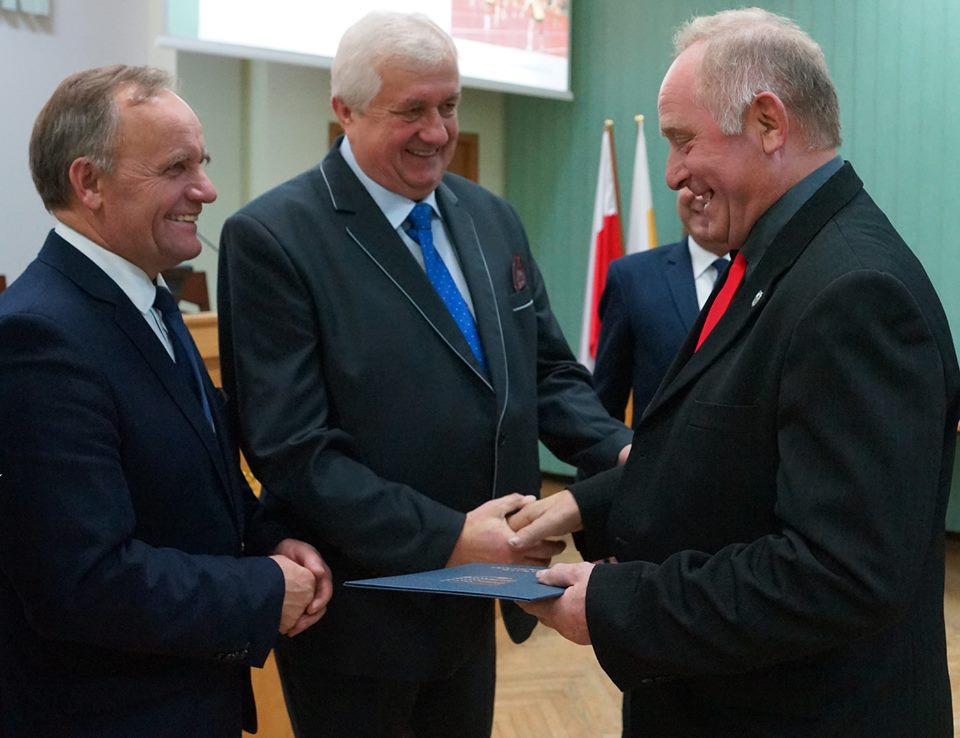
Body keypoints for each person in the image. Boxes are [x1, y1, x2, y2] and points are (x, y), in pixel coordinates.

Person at [508, 8, 960, 736]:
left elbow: (839, 573)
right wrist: (583, 505)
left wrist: (616, 604)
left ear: (768, 123)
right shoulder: (777, 260)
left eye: (683, 140)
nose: (672, 173)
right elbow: (725, 450)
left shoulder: (854, 293)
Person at [216, 11, 631, 738]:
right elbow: (292, 448)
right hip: (360, 616)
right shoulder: (274, 238)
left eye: (449, 105)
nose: (438, 132)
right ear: (345, 110)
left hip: (481, 595)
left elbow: (546, 371)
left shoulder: (490, 217)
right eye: (412, 110)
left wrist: (618, 449)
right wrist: (450, 537)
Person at [0, 65, 333, 737]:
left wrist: (269, 540)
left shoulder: (149, 297)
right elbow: (84, 581)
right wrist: (265, 589)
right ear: (89, 182)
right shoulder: (39, 337)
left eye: (202, 163)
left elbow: (195, 483)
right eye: (177, 167)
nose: (206, 189)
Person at [592, 187, 729, 425]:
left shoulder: (770, 272)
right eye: (690, 182)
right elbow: (606, 404)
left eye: (710, 182)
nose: (699, 195)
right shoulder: (632, 277)